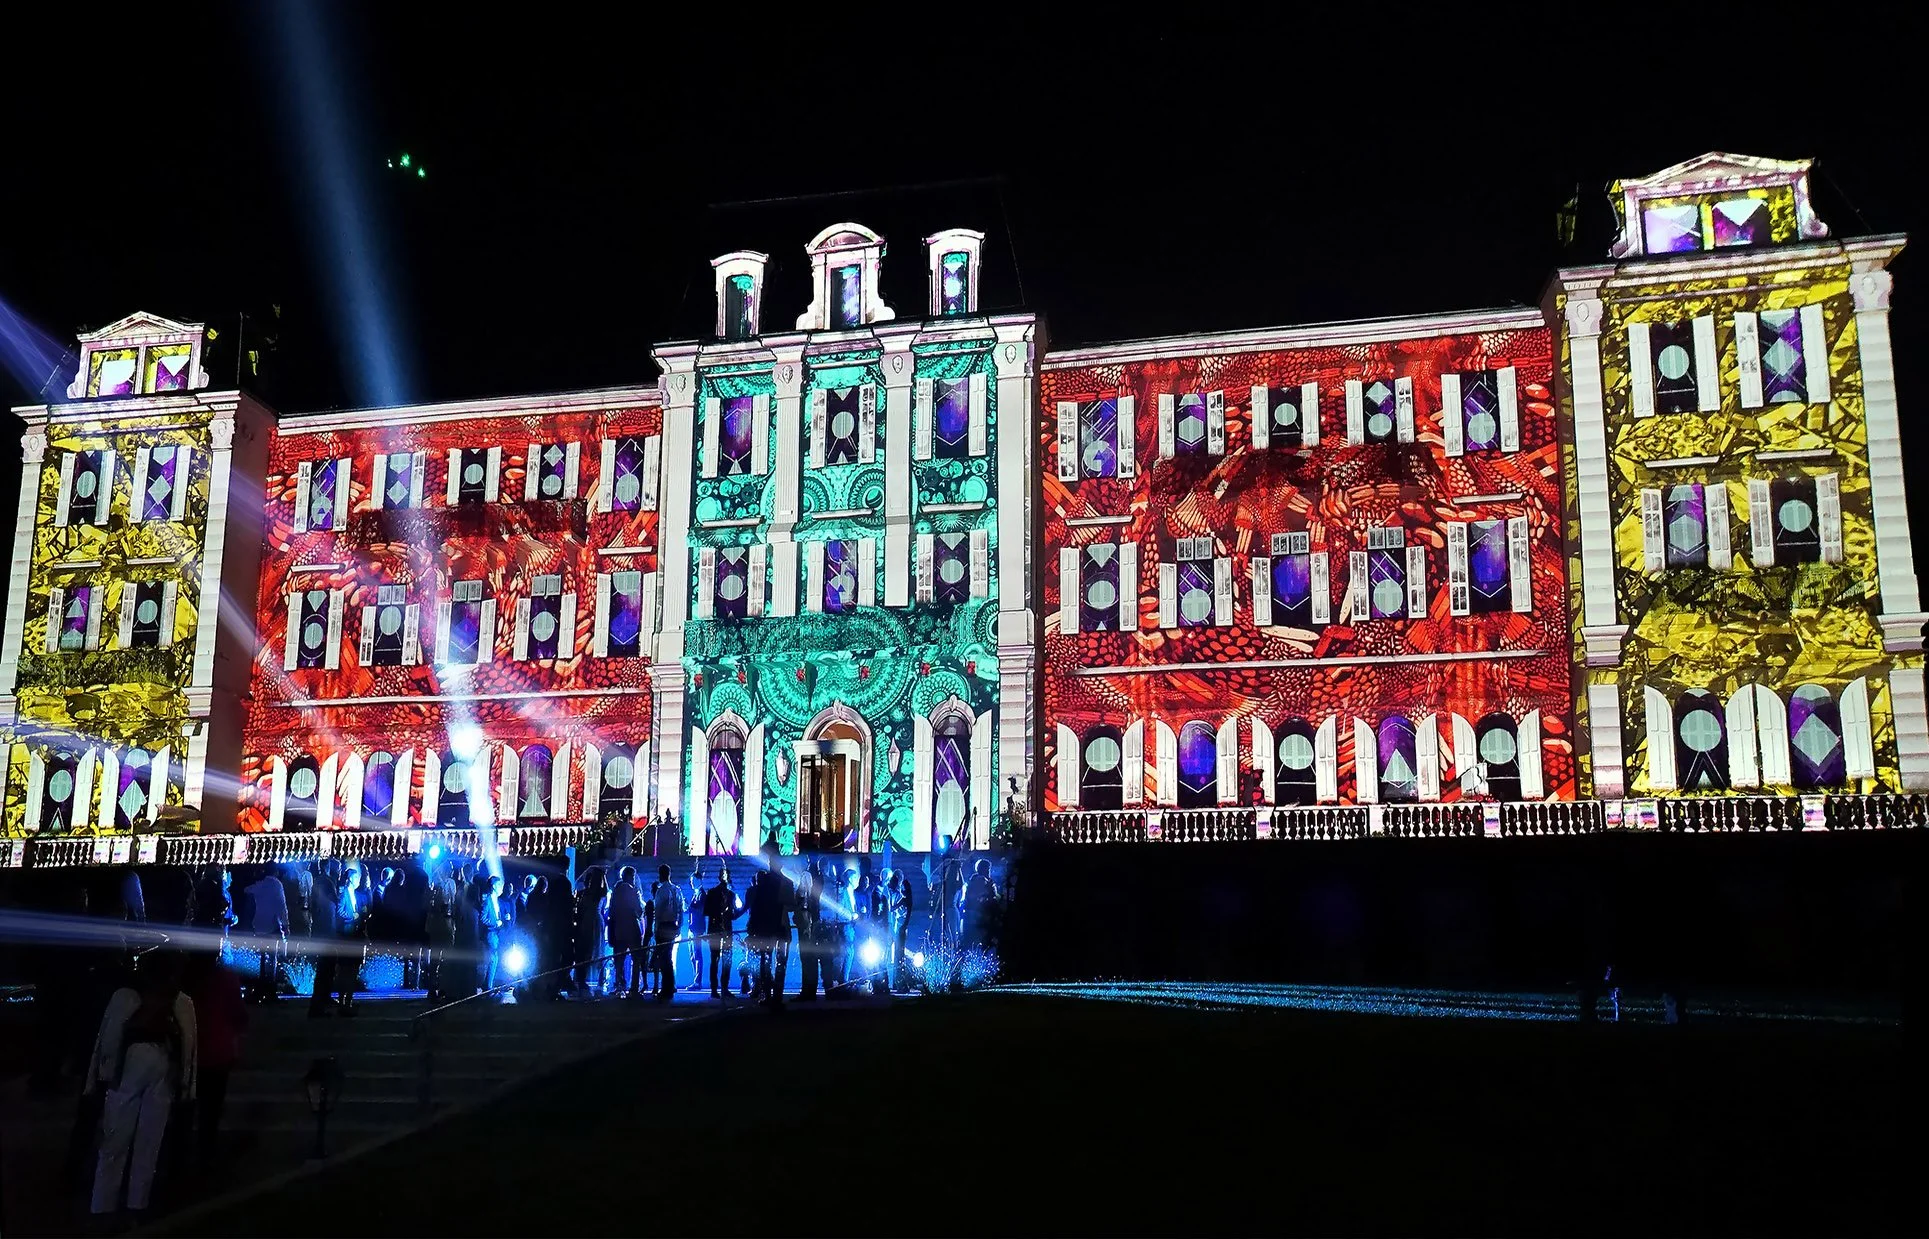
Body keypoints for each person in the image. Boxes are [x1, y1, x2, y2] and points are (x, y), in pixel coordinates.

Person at [87, 956, 197, 1218]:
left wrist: (98, 1077)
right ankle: (123, 1204)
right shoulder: (145, 999)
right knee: (135, 1141)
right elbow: (189, 1048)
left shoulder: (137, 998)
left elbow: (106, 1038)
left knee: (128, 1140)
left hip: (144, 1073)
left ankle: (113, 1205)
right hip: (142, 1072)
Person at [183, 950, 245, 1169]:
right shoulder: (227, 978)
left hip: (188, 1052)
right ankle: (205, 1156)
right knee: (211, 1110)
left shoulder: (185, 977)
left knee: (184, 1108)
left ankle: (178, 1158)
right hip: (219, 1052)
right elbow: (238, 1014)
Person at [244, 869, 289, 1003]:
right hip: (272, 926)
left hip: (259, 926)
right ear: (276, 871)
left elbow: (247, 890)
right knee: (272, 960)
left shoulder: (260, 884)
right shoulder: (277, 885)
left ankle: (259, 989)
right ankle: (270, 991)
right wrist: (286, 925)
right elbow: (282, 906)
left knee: (262, 959)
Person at [702, 868, 743, 997]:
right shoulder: (719, 893)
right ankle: (718, 989)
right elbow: (708, 911)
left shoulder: (726, 894)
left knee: (720, 959)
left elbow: (708, 912)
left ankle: (719, 989)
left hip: (721, 930)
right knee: (719, 959)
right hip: (719, 929)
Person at [607, 867, 645, 997]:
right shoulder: (633, 891)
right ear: (629, 876)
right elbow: (639, 911)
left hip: (618, 929)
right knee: (636, 959)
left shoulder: (615, 891)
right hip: (632, 928)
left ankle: (619, 985)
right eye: (633, 877)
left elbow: (611, 911)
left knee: (619, 960)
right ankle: (633, 988)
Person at [651, 864, 685, 1001]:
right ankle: (669, 985)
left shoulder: (662, 890)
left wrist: (656, 927)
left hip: (664, 924)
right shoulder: (676, 890)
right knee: (668, 956)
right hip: (673, 924)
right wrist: (679, 925)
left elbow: (658, 910)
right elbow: (681, 909)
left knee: (664, 957)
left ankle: (666, 987)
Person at [427, 861, 459, 1001]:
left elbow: (454, 901)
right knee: (435, 959)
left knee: (447, 958)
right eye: (449, 869)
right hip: (438, 925)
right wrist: (439, 909)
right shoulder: (436, 883)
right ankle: (432, 988)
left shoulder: (452, 883)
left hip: (449, 924)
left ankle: (444, 987)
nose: (451, 871)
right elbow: (431, 903)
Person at [797, 858, 825, 1001]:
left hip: (806, 921)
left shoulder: (806, 875)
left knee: (807, 957)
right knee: (810, 957)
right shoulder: (817, 876)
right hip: (811, 921)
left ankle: (807, 990)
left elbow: (803, 898)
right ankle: (809, 989)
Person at [960, 859, 999, 952]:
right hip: (982, 916)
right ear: (983, 869)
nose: (989, 871)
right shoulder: (986, 882)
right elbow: (991, 897)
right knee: (983, 942)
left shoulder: (971, 881)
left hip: (972, 916)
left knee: (972, 942)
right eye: (988, 868)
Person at [479, 874, 506, 993]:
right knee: (493, 958)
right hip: (491, 933)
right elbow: (483, 918)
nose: (501, 887)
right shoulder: (488, 901)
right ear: (494, 886)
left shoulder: (497, 901)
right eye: (499, 884)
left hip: (496, 933)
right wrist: (495, 923)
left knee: (494, 959)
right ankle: (488, 986)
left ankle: (488, 984)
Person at [680, 864, 703, 990]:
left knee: (697, 955)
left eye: (693, 881)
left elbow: (699, 910)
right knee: (693, 955)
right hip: (692, 928)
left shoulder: (701, 894)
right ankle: (696, 980)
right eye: (691, 881)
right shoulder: (696, 894)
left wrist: (689, 906)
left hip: (697, 928)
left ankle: (697, 981)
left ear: (699, 880)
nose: (692, 883)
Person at [890, 870, 914, 990]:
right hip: (901, 927)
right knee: (900, 954)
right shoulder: (907, 899)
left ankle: (899, 982)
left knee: (899, 954)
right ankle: (899, 981)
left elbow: (892, 908)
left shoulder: (904, 899)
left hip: (900, 927)